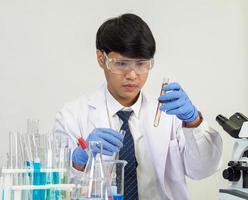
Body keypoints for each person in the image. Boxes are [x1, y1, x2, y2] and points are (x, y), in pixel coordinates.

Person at [53, 13, 222, 200]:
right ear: (102, 59)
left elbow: (203, 169)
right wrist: (79, 161)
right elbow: (58, 188)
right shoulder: (72, 115)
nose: (132, 75)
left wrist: (193, 122)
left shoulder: (169, 113)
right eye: (122, 63)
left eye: (141, 64)